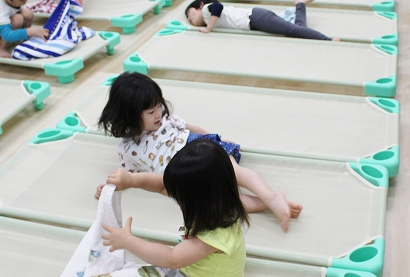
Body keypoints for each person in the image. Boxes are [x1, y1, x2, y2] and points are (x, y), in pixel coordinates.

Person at [94, 72, 302, 231]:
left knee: (236, 172)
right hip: (184, 175)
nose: (158, 114)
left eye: (159, 106)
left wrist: (217, 138)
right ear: (129, 116)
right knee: (219, 204)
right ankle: (267, 204)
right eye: (151, 111)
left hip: (197, 147)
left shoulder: (166, 119)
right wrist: (111, 186)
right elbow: (130, 176)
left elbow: (191, 128)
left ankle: (271, 196)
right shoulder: (127, 150)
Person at [101, 139, 247, 277]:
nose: (178, 204)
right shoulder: (215, 203)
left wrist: (128, 241)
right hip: (189, 276)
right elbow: (162, 185)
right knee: (146, 274)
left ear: (205, 198)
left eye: (182, 200)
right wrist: (131, 180)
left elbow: (172, 258)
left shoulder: (218, 234)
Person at [185, 0, 340, 41]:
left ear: (200, 6)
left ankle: (327, 40)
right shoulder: (208, 17)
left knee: (292, 30)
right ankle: (300, 3)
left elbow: (218, 7)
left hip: (255, 18)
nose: (190, 19)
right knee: (296, 29)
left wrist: (208, 28)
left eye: (191, 14)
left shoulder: (207, 10)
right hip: (255, 20)